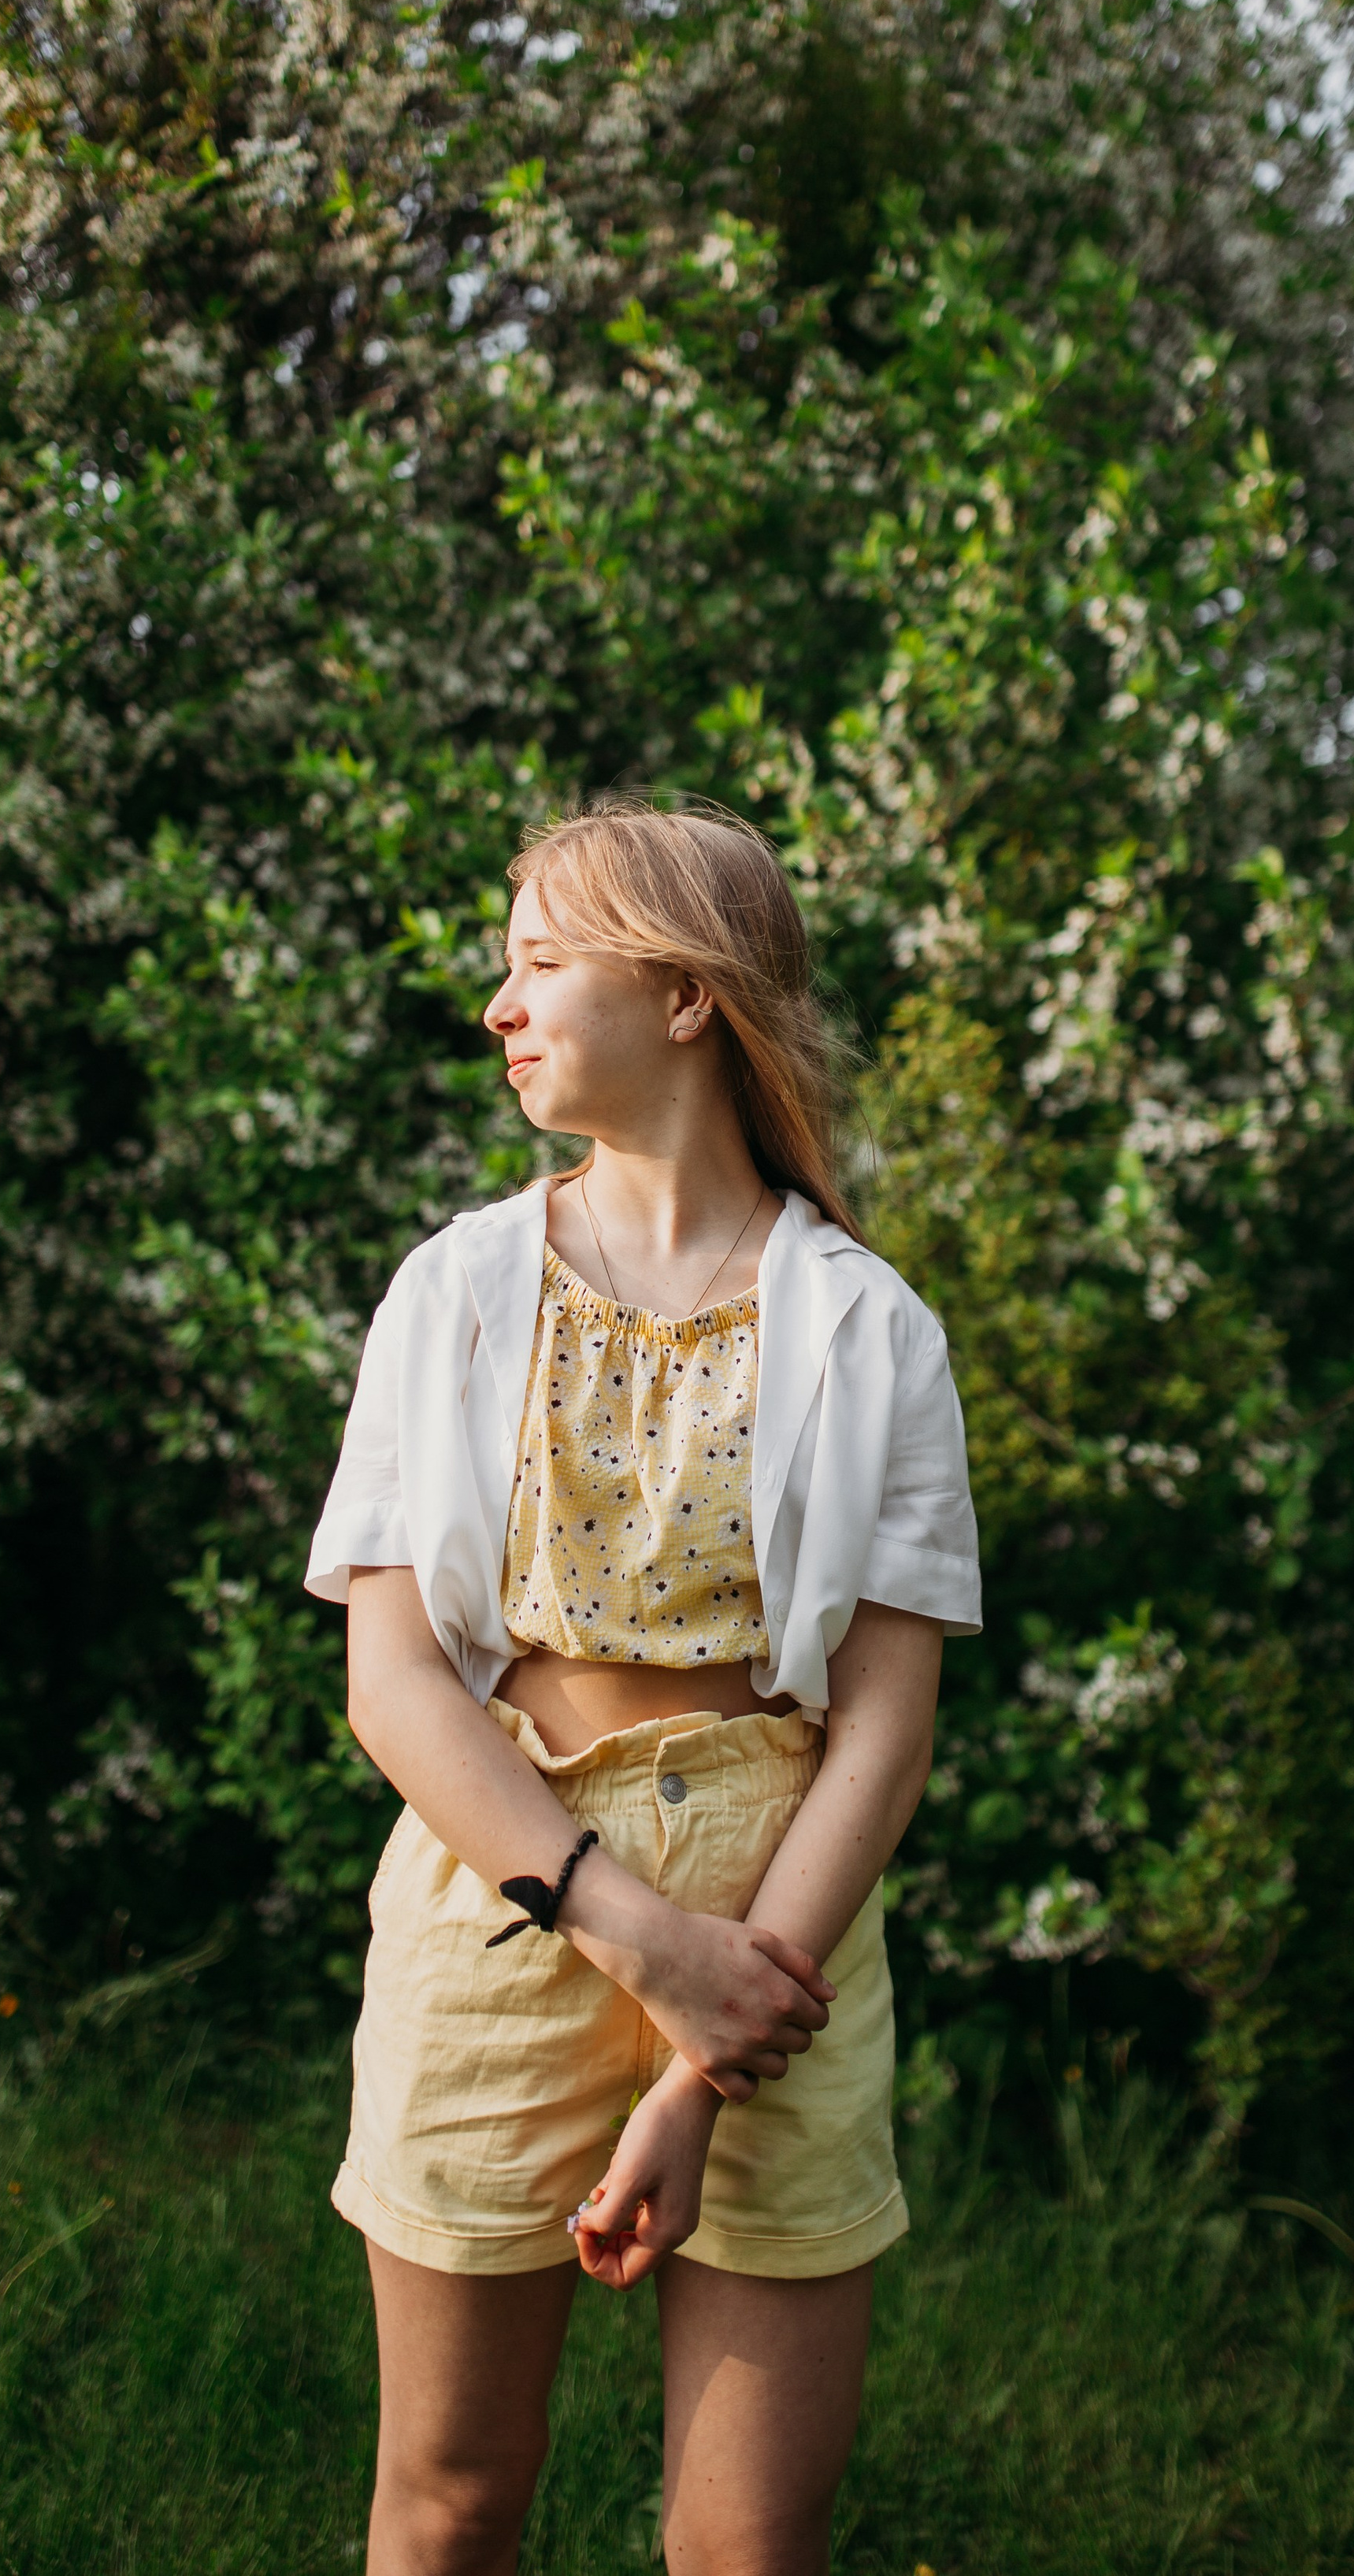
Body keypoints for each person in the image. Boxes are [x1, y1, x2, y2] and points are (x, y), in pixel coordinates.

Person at [306, 799, 980, 2576]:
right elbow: (392, 1679)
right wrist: (626, 1930)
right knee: (451, 2502)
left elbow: (884, 1725)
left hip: (783, 1928)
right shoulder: (448, 1290)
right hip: (502, 1892)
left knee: (747, 2546)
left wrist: (703, 2042)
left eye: (539, 960)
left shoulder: (870, 1330)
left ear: (684, 997)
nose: (496, 1005)